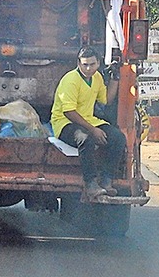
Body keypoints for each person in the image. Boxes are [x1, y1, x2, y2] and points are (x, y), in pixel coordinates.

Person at [50, 46, 126, 200]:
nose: (88, 68)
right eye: (85, 64)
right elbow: (69, 112)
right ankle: (90, 184)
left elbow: (106, 100)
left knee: (118, 138)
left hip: (88, 120)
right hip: (64, 123)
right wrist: (93, 130)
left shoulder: (96, 78)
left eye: (92, 64)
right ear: (78, 63)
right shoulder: (70, 80)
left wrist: (115, 79)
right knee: (86, 138)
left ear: (98, 63)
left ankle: (106, 180)